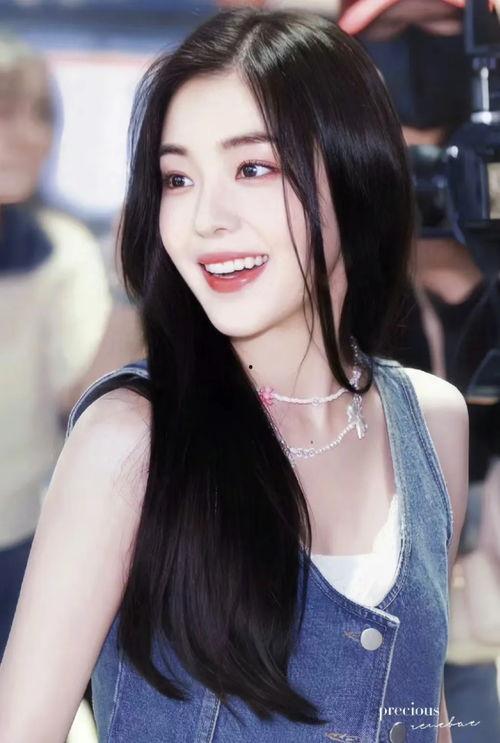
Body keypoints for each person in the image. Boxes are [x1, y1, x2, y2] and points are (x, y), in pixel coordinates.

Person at [0, 9, 468, 742]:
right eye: (177, 178)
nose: (205, 219)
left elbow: (419, 707)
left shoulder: (432, 421)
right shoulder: (131, 439)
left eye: (253, 168)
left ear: (354, 169)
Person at [338, 1, 500, 739]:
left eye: (445, 160)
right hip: (365, 601)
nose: (427, 186)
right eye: (406, 160)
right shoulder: (339, 286)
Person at [0, 35, 112, 663]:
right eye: (3, 111)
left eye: (41, 114)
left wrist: (128, 292)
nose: (27, 136)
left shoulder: (62, 250)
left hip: (17, 546)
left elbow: (84, 401)